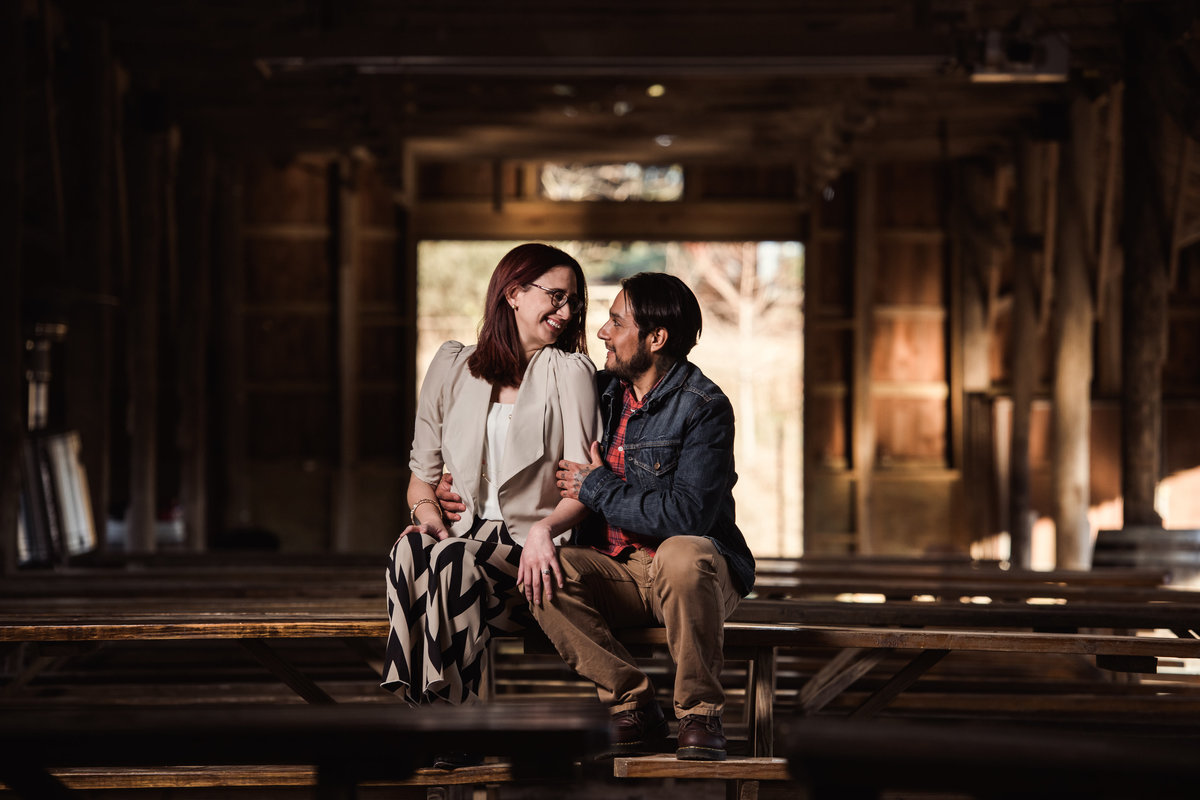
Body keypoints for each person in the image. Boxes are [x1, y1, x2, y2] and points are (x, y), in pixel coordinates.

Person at [438, 272, 754, 761]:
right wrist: (452, 481)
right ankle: (634, 704)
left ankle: (700, 715)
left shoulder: (705, 407)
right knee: (542, 569)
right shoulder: (597, 389)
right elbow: (525, 446)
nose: (602, 332)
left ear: (656, 338)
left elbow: (686, 515)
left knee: (681, 552)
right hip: (615, 572)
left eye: (616, 321)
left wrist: (598, 486)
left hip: (695, 576)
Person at [382, 243, 601, 725]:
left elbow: (584, 486)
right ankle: (445, 716)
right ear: (514, 292)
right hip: (458, 538)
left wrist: (546, 530)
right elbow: (421, 478)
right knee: (414, 550)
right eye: (557, 296)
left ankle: (438, 720)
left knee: (450, 559)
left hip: (533, 552)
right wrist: (427, 518)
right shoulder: (452, 366)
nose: (567, 312)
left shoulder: (571, 373)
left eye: (574, 302)